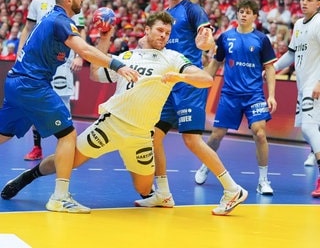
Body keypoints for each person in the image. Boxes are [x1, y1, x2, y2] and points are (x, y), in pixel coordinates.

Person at [0, 12, 241, 215]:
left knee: (144, 189)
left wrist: (181, 76)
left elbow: (206, 80)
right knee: (67, 161)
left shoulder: (173, 58)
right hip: (110, 126)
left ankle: (157, 192)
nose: (163, 36)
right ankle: (26, 178)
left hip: (140, 136)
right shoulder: (127, 57)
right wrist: (104, 39)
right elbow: (95, 73)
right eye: (159, 30)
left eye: (167, 33)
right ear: (146, 30)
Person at [0, 0, 139, 213]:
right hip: (32, 84)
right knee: (67, 134)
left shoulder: (55, 19)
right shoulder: (59, 20)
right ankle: (60, 197)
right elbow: (84, 50)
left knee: (3, 134)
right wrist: (117, 65)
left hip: (19, 82)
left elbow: (88, 53)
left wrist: (104, 37)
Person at [134, 0, 248, 215]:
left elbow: (206, 36)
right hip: (167, 84)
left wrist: (205, 41)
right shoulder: (164, 15)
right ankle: (163, 193)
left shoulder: (192, 10)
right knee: (153, 136)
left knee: (192, 140)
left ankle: (232, 189)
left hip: (188, 83)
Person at [194, 0, 277, 196]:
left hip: (254, 95)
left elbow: (270, 68)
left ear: (255, 17)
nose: (243, 14)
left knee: (260, 133)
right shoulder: (225, 37)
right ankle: (206, 165)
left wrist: (271, 95)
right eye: (241, 11)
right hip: (230, 94)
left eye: (248, 12)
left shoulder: (262, 39)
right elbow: (215, 64)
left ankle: (263, 180)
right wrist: (201, 81)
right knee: (216, 136)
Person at [19, 0, 85, 161]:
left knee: (64, 102)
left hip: (63, 61)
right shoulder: (38, 2)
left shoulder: (71, 0)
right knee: (35, 103)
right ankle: (37, 147)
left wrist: (80, 56)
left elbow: (79, 30)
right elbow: (28, 28)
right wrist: (20, 52)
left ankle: (66, 147)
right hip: (39, 62)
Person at [273, 0, 320, 196]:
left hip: (315, 84)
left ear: (318, 3)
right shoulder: (299, 24)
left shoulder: (319, 22)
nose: (304, 3)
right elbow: (291, 54)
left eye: (309, 0)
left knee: (310, 128)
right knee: (306, 129)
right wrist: (271, 69)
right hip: (303, 86)